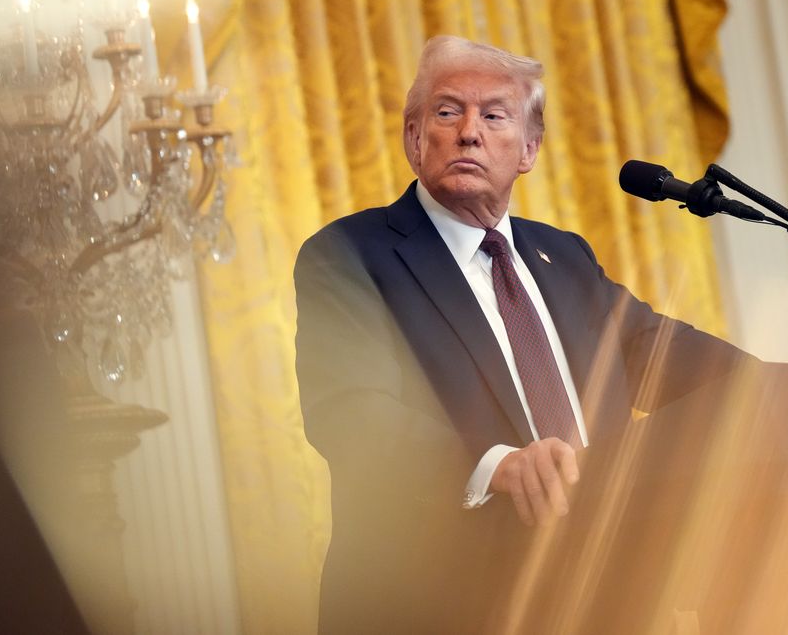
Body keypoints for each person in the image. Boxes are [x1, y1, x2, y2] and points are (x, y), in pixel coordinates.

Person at [294, 35, 751, 633]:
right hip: (439, 605)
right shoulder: (350, 254)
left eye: (493, 115)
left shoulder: (565, 257)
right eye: (448, 111)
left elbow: (665, 353)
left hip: (608, 598)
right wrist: (498, 467)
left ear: (529, 148)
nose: (469, 132)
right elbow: (350, 415)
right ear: (414, 138)